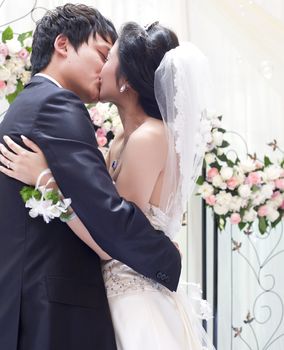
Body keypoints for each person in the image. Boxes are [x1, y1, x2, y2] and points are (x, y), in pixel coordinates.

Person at [0, 20, 216, 349]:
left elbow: (110, 234)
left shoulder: (149, 136)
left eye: (108, 58)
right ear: (62, 45)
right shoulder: (113, 140)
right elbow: (108, 221)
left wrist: (47, 182)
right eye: (102, 53)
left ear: (127, 77)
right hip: (105, 296)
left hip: (133, 296)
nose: (102, 67)